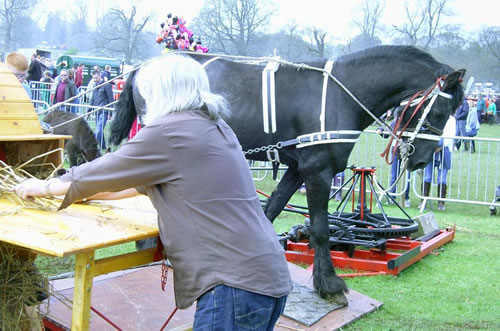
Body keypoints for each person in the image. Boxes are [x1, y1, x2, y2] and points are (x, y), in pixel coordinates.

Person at [13, 54, 292, 329]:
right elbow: (131, 183)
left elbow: (105, 169)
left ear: (161, 92)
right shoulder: (214, 126)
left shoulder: (169, 131)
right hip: (266, 277)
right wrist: (84, 193)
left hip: (233, 285)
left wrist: (44, 186)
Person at [419, 116, 456, 211]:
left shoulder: (451, 120)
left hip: (445, 150)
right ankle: (423, 201)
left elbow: (451, 135)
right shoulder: (434, 116)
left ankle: (441, 203)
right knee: (427, 176)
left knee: (442, 178)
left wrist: (441, 146)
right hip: (432, 150)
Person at [89, 69, 114, 150]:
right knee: (99, 130)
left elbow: (111, 100)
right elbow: (92, 99)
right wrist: (89, 111)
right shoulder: (95, 85)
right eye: (93, 78)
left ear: (100, 76)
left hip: (104, 111)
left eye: (96, 78)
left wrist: (110, 113)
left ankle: (95, 147)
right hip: (97, 111)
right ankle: (103, 147)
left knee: (98, 130)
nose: (95, 79)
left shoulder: (107, 85)